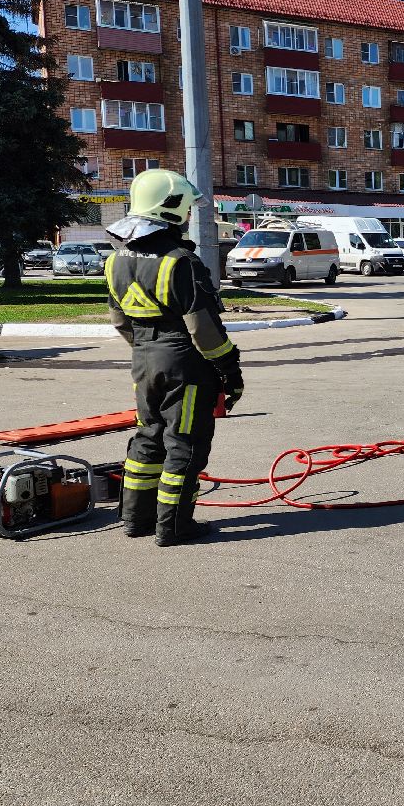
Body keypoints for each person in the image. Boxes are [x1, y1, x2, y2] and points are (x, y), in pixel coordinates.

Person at [106, 169, 245, 546]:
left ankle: (135, 520)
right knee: (184, 443)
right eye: (185, 207)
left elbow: (120, 321)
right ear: (171, 207)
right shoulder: (181, 261)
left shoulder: (116, 260)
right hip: (184, 362)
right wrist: (230, 370)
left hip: (144, 359)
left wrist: (148, 350)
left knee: (148, 438)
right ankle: (174, 526)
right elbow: (202, 329)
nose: (188, 215)